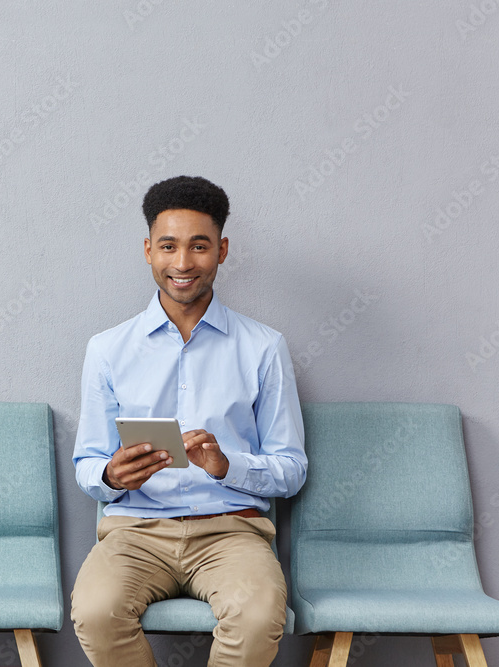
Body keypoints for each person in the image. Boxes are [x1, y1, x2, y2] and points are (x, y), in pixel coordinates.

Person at [70, 176, 307, 667]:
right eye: (168, 246)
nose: (182, 263)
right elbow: (87, 465)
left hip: (232, 531)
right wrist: (112, 475)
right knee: (95, 612)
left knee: (260, 615)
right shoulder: (107, 350)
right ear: (148, 250)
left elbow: (291, 468)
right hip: (136, 530)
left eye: (198, 246)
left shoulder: (263, 347)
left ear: (221, 250)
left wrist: (226, 466)